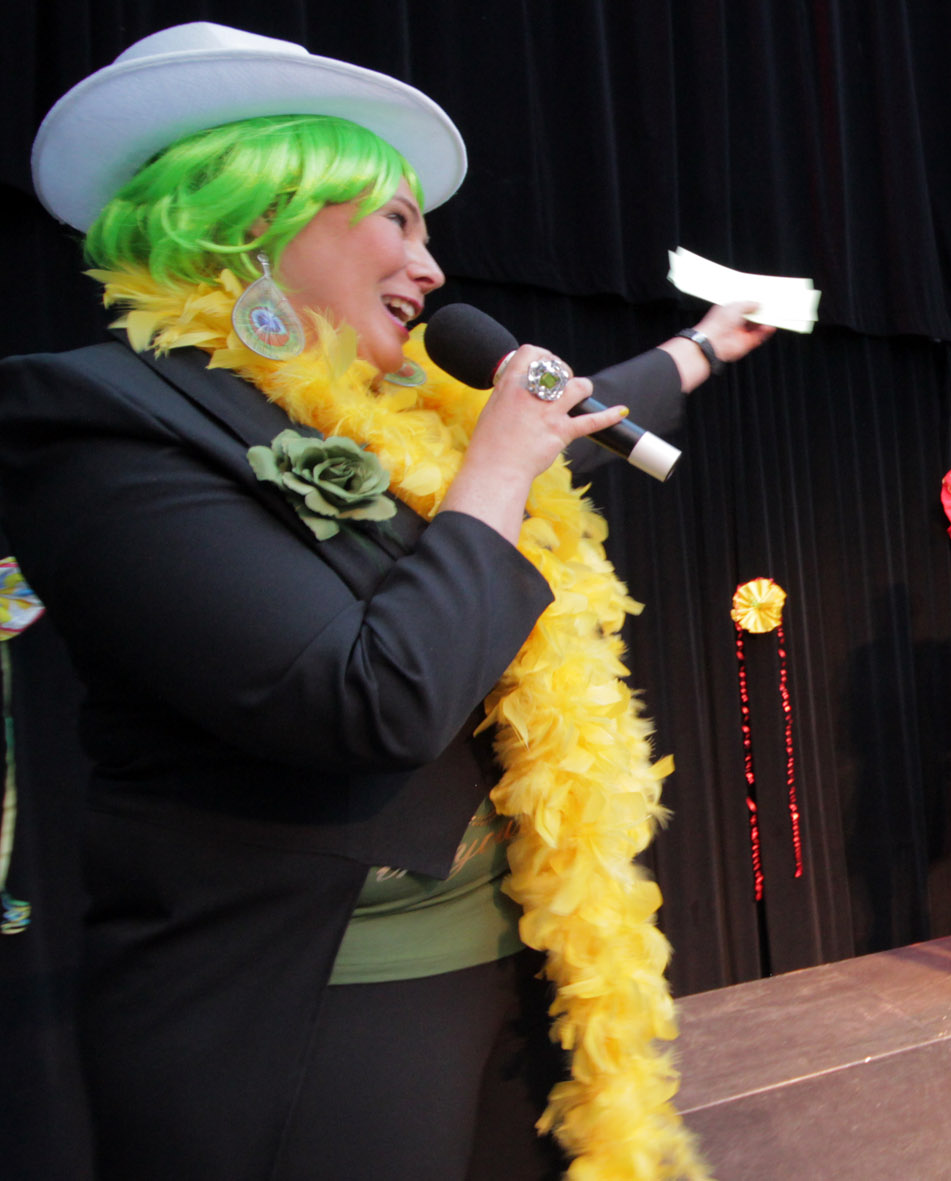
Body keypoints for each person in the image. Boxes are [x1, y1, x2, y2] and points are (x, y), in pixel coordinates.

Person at [0, 22, 773, 1179]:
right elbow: (369, 702)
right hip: (314, 1006)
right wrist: (499, 459)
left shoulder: (399, 419)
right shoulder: (103, 421)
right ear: (256, 218)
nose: (431, 267)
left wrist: (703, 345)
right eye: (399, 221)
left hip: (513, 971)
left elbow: (569, 428)